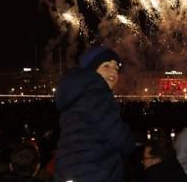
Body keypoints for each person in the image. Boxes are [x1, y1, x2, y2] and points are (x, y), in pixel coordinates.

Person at [54, 45, 135, 182]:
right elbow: (120, 137)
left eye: (116, 68)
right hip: (92, 173)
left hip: (72, 171)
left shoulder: (79, 94)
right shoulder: (96, 96)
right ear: (91, 70)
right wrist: (132, 142)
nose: (113, 72)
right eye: (106, 66)